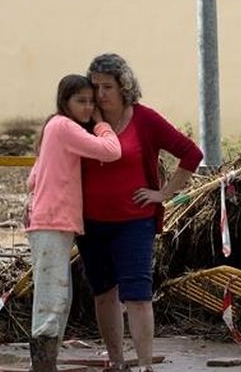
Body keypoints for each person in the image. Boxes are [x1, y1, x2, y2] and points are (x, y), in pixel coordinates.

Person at [76, 54, 203, 372]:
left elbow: (191, 153)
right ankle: (117, 362)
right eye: (95, 86)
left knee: (138, 294)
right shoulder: (83, 120)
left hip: (134, 221)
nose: (101, 94)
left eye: (108, 86)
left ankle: (145, 365)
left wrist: (163, 194)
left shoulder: (145, 120)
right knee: (104, 293)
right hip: (90, 223)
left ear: (124, 87)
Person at [26, 75, 122, 372]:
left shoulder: (51, 128)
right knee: (52, 297)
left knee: (58, 295)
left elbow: (33, 178)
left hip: (50, 220)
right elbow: (112, 150)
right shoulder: (63, 126)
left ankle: (45, 362)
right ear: (64, 102)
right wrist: (101, 123)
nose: (87, 107)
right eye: (81, 101)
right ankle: (43, 365)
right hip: (53, 221)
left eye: (91, 102)